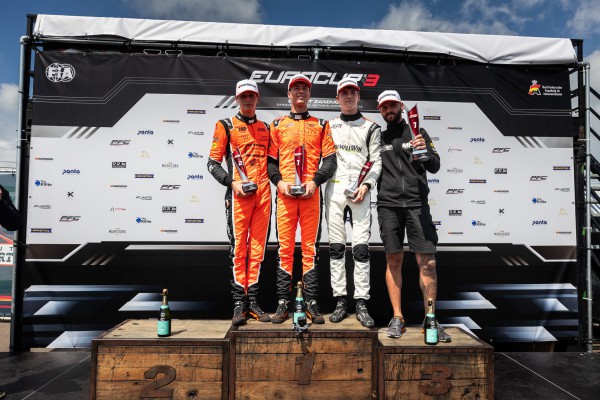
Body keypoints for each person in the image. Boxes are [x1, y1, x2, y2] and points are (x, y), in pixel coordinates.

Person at [376, 90, 450, 341]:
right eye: (384, 107)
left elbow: (435, 165)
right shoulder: (378, 137)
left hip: (418, 204)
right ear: (380, 110)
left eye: (392, 105)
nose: (389, 110)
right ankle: (398, 317)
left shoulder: (419, 132)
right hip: (388, 205)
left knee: (427, 262)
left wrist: (425, 151)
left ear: (401, 106)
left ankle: (430, 318)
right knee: (393, 260)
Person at [267, 73, 337, 324]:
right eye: (295, 88)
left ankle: (311, 302)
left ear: (309, 94)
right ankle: (283, 302)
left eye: (304, 88)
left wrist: (315, 181)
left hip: (310, 195)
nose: (300, 92)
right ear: (289, 94)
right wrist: (280, 182)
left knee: (310, 249)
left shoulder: (321, 125)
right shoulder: (277, 125)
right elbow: (271, 162)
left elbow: (330, 160)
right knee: (285, 249)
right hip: (285, 195)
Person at [207, 79, 272, 325]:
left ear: (257, 98)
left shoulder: (266, 128)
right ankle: (238, 305)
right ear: (236, 99)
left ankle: (252, 301)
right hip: (238, 196)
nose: (247, 99)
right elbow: (212, 163)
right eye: (243, 96)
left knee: (257, 250)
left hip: (263, 196)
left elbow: (275, 163)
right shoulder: (225, 125)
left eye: (251, 96)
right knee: (239, 250)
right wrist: (232, 183)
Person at [325, 78, 382, 327]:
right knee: (336, 249)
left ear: (358, 97)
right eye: (344, 93)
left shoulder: (371, 127)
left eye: (353, 92)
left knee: (360, 249)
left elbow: (376, 162)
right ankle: (340, 300)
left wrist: (366, 186)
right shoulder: (328, 126)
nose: (348, 96)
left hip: (360, 193)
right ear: (337, 98)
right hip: (335, 192)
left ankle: (361, 302)